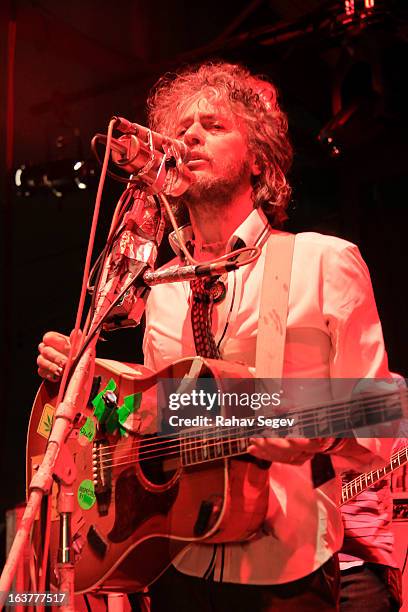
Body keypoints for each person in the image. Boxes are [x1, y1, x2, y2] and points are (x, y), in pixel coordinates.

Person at [37, 62, 397, 611]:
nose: (190, 138)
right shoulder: (161, 286)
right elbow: (151, 421)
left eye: (214, 125)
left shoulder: (322, 261)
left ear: (258, 158)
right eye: (181, 130)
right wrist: (88, 390)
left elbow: (379, 416)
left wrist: (277, 417)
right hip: (178, 562)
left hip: (288, 570)